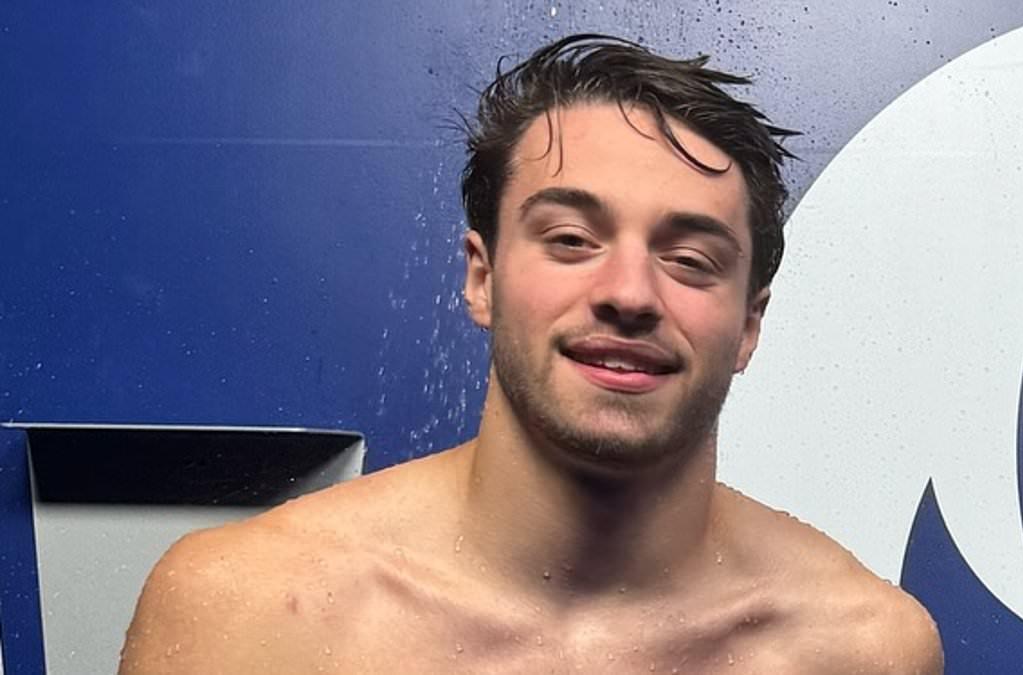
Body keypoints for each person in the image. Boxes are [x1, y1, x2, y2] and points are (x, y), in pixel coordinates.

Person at [119, 34, 943, 674]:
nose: (630, 291)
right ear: (482, 278)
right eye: (572, 239)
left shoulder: (856, 648)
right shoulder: (248, 616)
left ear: (750, 324)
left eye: (690, 259)